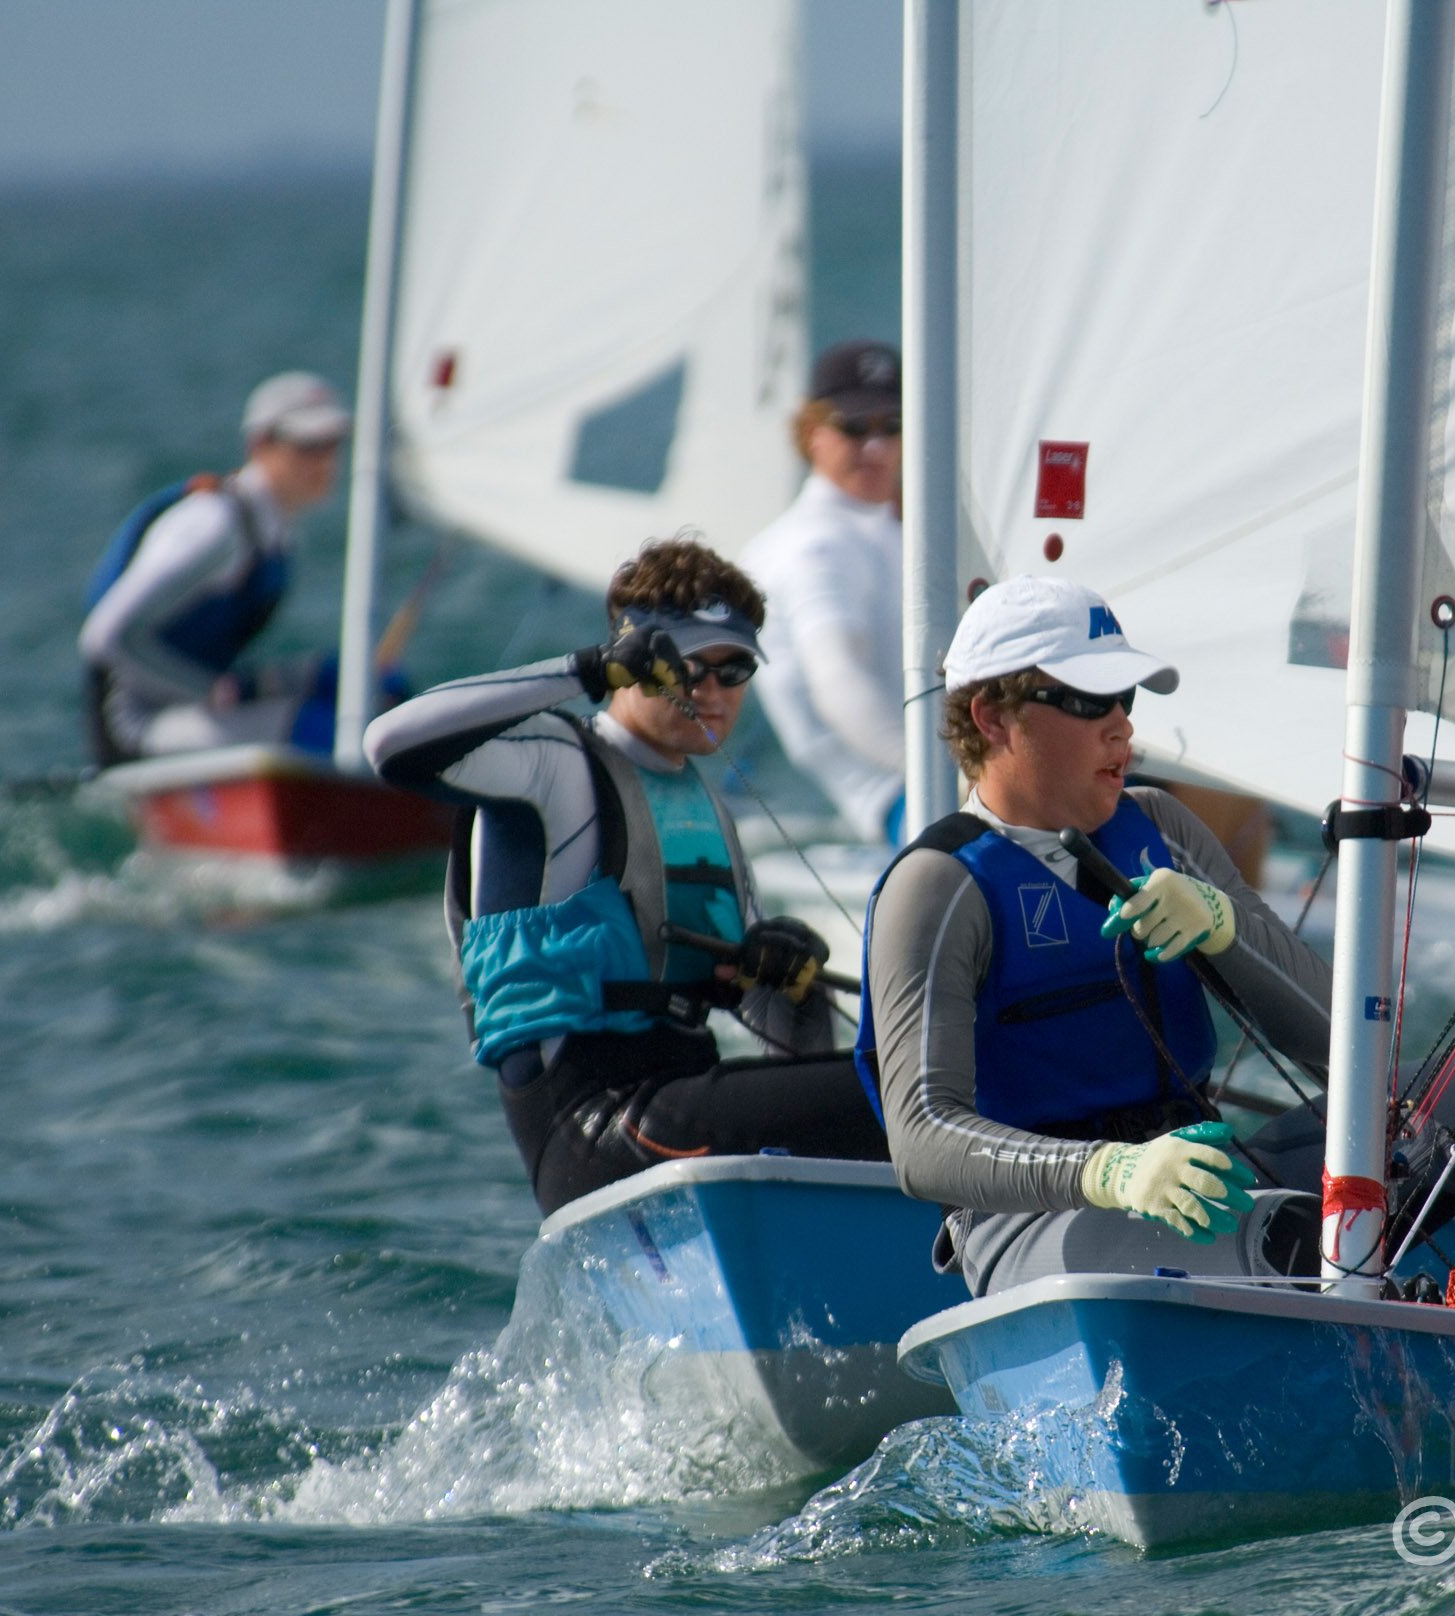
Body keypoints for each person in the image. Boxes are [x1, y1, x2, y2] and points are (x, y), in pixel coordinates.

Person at [855, 576, 1455, 1298]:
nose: (1121, 726)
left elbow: (1351, 1054)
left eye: (1126, 698)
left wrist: (1226, 928)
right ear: (992, 718)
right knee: (1301, 1239)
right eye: (1089, 701)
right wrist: (1110, 1172)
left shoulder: (1162, 827)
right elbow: (921, 1141)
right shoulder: (937, 887)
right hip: (1035, 1224)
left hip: (1205, 1171)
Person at [364, 537, 888, 1215]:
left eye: (734, 670)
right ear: (635, 660)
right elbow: (389, 746)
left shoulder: (707, 809)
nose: (713, 691)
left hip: (681, 1105)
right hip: (593, 1126)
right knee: (913, 1094)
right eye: (690, 667)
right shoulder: (553, 765)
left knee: (918, 1083)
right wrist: (585, 670)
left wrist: (789, 985)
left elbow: (786, 1052)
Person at [80, 371, 354, 766]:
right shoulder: (215, 527)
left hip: (195, 704)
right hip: (137, 723)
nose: (325, 460)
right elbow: (104, 637)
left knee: (368, 684)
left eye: (332, 444)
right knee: (324, 732)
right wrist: (209, 691)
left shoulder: (277, 528)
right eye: (308, 445)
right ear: (259, 444)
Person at [738, 339, 907, 842]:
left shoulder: (881, 527)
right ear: (812, 432)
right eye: (854, 427)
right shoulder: (813, 546)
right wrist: (957, 780)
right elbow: (838, 681)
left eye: (892, 426)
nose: (876, 447)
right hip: (903, 799)